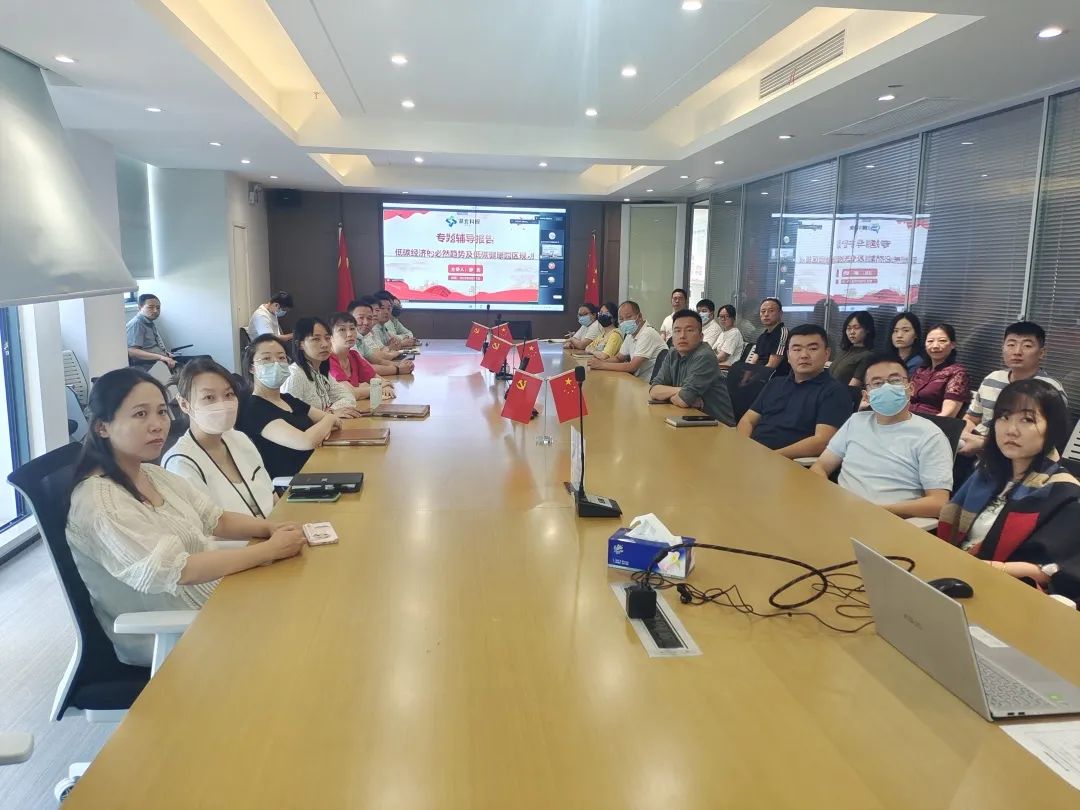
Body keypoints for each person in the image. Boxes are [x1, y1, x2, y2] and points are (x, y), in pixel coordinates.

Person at [66, 367, 307, 665]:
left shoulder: (151, 474)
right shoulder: (99, 501)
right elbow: (181, 570)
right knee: (303, 632)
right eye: (140, 414)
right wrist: (269, 550)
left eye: (161, 412)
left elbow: (216, 519)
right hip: (171, 632)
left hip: (214, 599)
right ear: (102, 427)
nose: (157, 425)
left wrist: (273, 528)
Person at [938, 379, 1080, 602]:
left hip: (1008, 593)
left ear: (1052, 429)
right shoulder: (986, 475)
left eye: (1027, 420)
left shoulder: (1064, 493)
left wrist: (994, 568)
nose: (1011, 430)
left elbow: (1057, 570)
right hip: (955, 574)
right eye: (1004, 417)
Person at [810, 354, 953, 518]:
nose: (886, 388)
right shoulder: (856, 421)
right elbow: (821, 466)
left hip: (886, 520)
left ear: (911, 388)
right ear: (866, 396)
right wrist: (827, 497)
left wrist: (878, 510)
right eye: (877, 383)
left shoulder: (930, 436)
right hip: (837, 511)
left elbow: (938, 503)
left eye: (895, 380)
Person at [162, 359, 275, 519]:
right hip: (246, 535)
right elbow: (209, 528)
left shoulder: (239, 439)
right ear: (185, 404)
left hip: (274, 527)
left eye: (229, 394)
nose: (222, 404)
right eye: (209, 397)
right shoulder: (180, 463)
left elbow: (272, 497)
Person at [737, 324, 852, 458]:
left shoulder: (834, 392)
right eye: (797, 349)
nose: (804, 355)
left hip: (787, 463)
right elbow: (748, 420)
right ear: (788, 355)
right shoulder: (775, 383)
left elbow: (822, 441)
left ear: (827, 354)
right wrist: (744, 448)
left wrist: (769, 457)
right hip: (751, 455)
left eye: (813, 349)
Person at [236, 334, 342, 478]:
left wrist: (325, 424)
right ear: (251, 368)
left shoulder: (287, 399)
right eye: (266, 358)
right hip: (291, 483)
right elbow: (306, 441)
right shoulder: (253, 409)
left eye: (281, 357)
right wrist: (329, 419)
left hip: (317, 467)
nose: (276, 363)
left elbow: (336, 423)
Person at [959, 321, 1066, 458]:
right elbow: (971, 418)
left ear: (1041, 353)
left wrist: (983, 444)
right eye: (1011, 345)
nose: (1017, 352)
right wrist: (964, 436)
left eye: (1027, 346)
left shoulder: (1049, 388)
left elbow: (1049, 438)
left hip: (1025, 460)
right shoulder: (992, 379)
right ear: (1003, 348)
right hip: (981, 456)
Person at [648, 310, 735, 425]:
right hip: (687, 417)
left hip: (718, 426)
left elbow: (683, 400)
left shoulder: (705, 356)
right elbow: (654, 390)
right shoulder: (672, 353)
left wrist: (674, 395)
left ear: (701, 336)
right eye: (677, 331)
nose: (682, 336)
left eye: (689, 330)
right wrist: (682, 391)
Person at [282, 317, 364, 417]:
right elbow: (290, 417)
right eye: (316, 339)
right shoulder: (294, 375)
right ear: (299, 344)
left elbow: (348, 397)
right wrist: (329, 414)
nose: (325, 344)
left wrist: (330, 412)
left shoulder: (321, 371)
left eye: (327, 338)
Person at [587, 300, 665, 379]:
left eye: (629, 317)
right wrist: (599, 362)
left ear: (640, 316)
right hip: (636, 380)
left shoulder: (647, 333)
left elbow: (632, 366)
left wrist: (601, 365)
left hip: (650, 384)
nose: (625, 321)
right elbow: (619, 358)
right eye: (621, 319)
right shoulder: (630, 334)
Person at [327, 311, 395, 402]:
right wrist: (377, 388)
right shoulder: (328, 360)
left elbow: (381, 380)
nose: (349, 334)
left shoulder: (354, 356)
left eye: (352, 328)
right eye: (342, 330)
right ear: (330, 337)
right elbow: (350, 394)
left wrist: (384, 386)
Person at [910, 323, 970, 417]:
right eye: (930, 341)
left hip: (932, 422)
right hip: (906, 419)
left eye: (942, 341)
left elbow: (948, 414)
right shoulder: (921, 370)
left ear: (953, 344)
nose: (935, 346)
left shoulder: (958, 373)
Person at [349, 298, 414, 377]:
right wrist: (398, 369)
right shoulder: (349, 339)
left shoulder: (360, 338)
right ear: (349, 319)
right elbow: (364, 369)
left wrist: (401, 364)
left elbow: (378, 360)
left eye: (369, 318)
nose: (366, 322)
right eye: (361, 318)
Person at [125, 294, 177, 369]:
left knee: (193, 362)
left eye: (158, 308)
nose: (155, 311)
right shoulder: (137, 324)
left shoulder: (148, 321)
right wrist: (161, 357)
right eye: (150, 307)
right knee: (191, 367)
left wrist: (166, 354)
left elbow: (150, 346)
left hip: (161, 362)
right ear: (140, 308)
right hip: (150, 366)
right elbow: (131, 351)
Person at [745, 297, 789, 374]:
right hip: (758, 375)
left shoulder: (782, 333)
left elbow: (771, 366)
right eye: (763, 311)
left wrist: (753, 379)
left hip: (773, 377)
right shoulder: (762, 336)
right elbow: (753, 362)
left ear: (780, 313)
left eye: (771, 311)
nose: (766, 314)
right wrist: (745, 379)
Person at [831, 311, 875, 386]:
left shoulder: (868, 356)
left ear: (867, 329)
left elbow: (853, 386)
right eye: (848, 328)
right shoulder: (844, 351)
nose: (852, 332)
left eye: (856, 328)